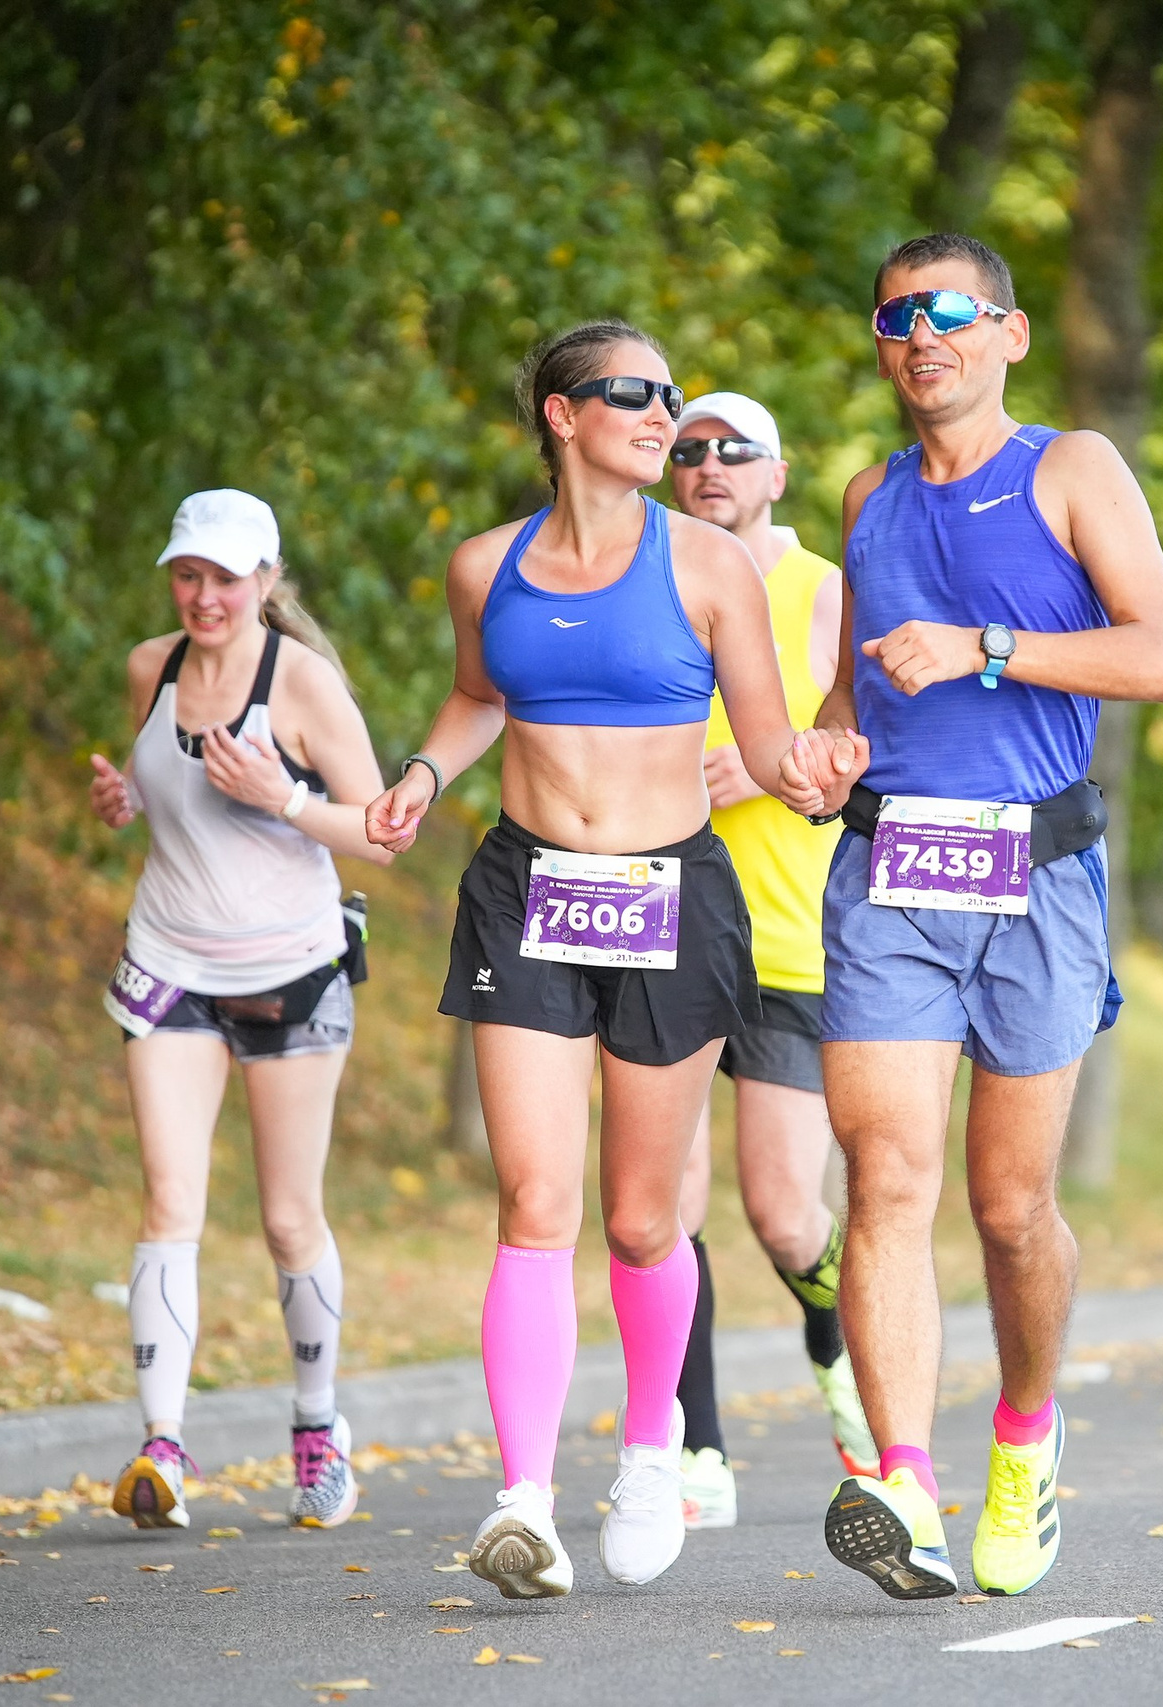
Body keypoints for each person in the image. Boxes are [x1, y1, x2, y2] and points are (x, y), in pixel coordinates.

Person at [361, 322, 859, 1599]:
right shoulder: (486, 566)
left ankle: (652, 1451)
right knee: (534, 1204)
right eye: (633, 396)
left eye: (671, 396)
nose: (662, 416)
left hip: (667, 899)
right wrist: (422, 771)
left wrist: (816, 774)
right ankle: (521, 1499)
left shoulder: (708, 567)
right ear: (561, 416)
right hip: (526, 884)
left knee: (643, 1219)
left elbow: (766, 741)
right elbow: (480, 694)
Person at [810, 234, 1163, 1600]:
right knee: (888, 1178)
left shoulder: (1072, 467)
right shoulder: (869, 496)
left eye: (953, 311)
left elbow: (1162, 657)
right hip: (892, 875)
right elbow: (859, 693)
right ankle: (904, 1480)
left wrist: (989, 649)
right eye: (900, 315)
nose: (926, 333)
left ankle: (1025, 1434)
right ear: (881, 343)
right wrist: (822, 747)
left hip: (1038, 878)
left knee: (1010, 1203)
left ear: (1010, 333)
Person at [87, 489, 396, 1534]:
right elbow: (157, 785)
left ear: (266, 581)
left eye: (225, 578)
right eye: (188, 574)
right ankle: (162, 1451)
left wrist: (285, 801)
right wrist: (124, 797)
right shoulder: (150, 668)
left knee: (284, 1217)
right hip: (170, 963)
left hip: (290, 973)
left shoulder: (301, 688)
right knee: (169, 1203)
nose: (203, 596)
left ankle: (317, 1433)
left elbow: (384, 833)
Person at [662, 391, 877, 1530]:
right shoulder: (651, 581)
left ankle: (846, 1365)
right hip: (666, 930)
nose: (708, 466)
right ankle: (696, 1445)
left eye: (733, 450)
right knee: (666, 1201)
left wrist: (773, 761)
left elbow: (878, 731)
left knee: (788, 1211)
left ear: (777, 474)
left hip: (794, 939)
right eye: (688, 450)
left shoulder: (827, 591)